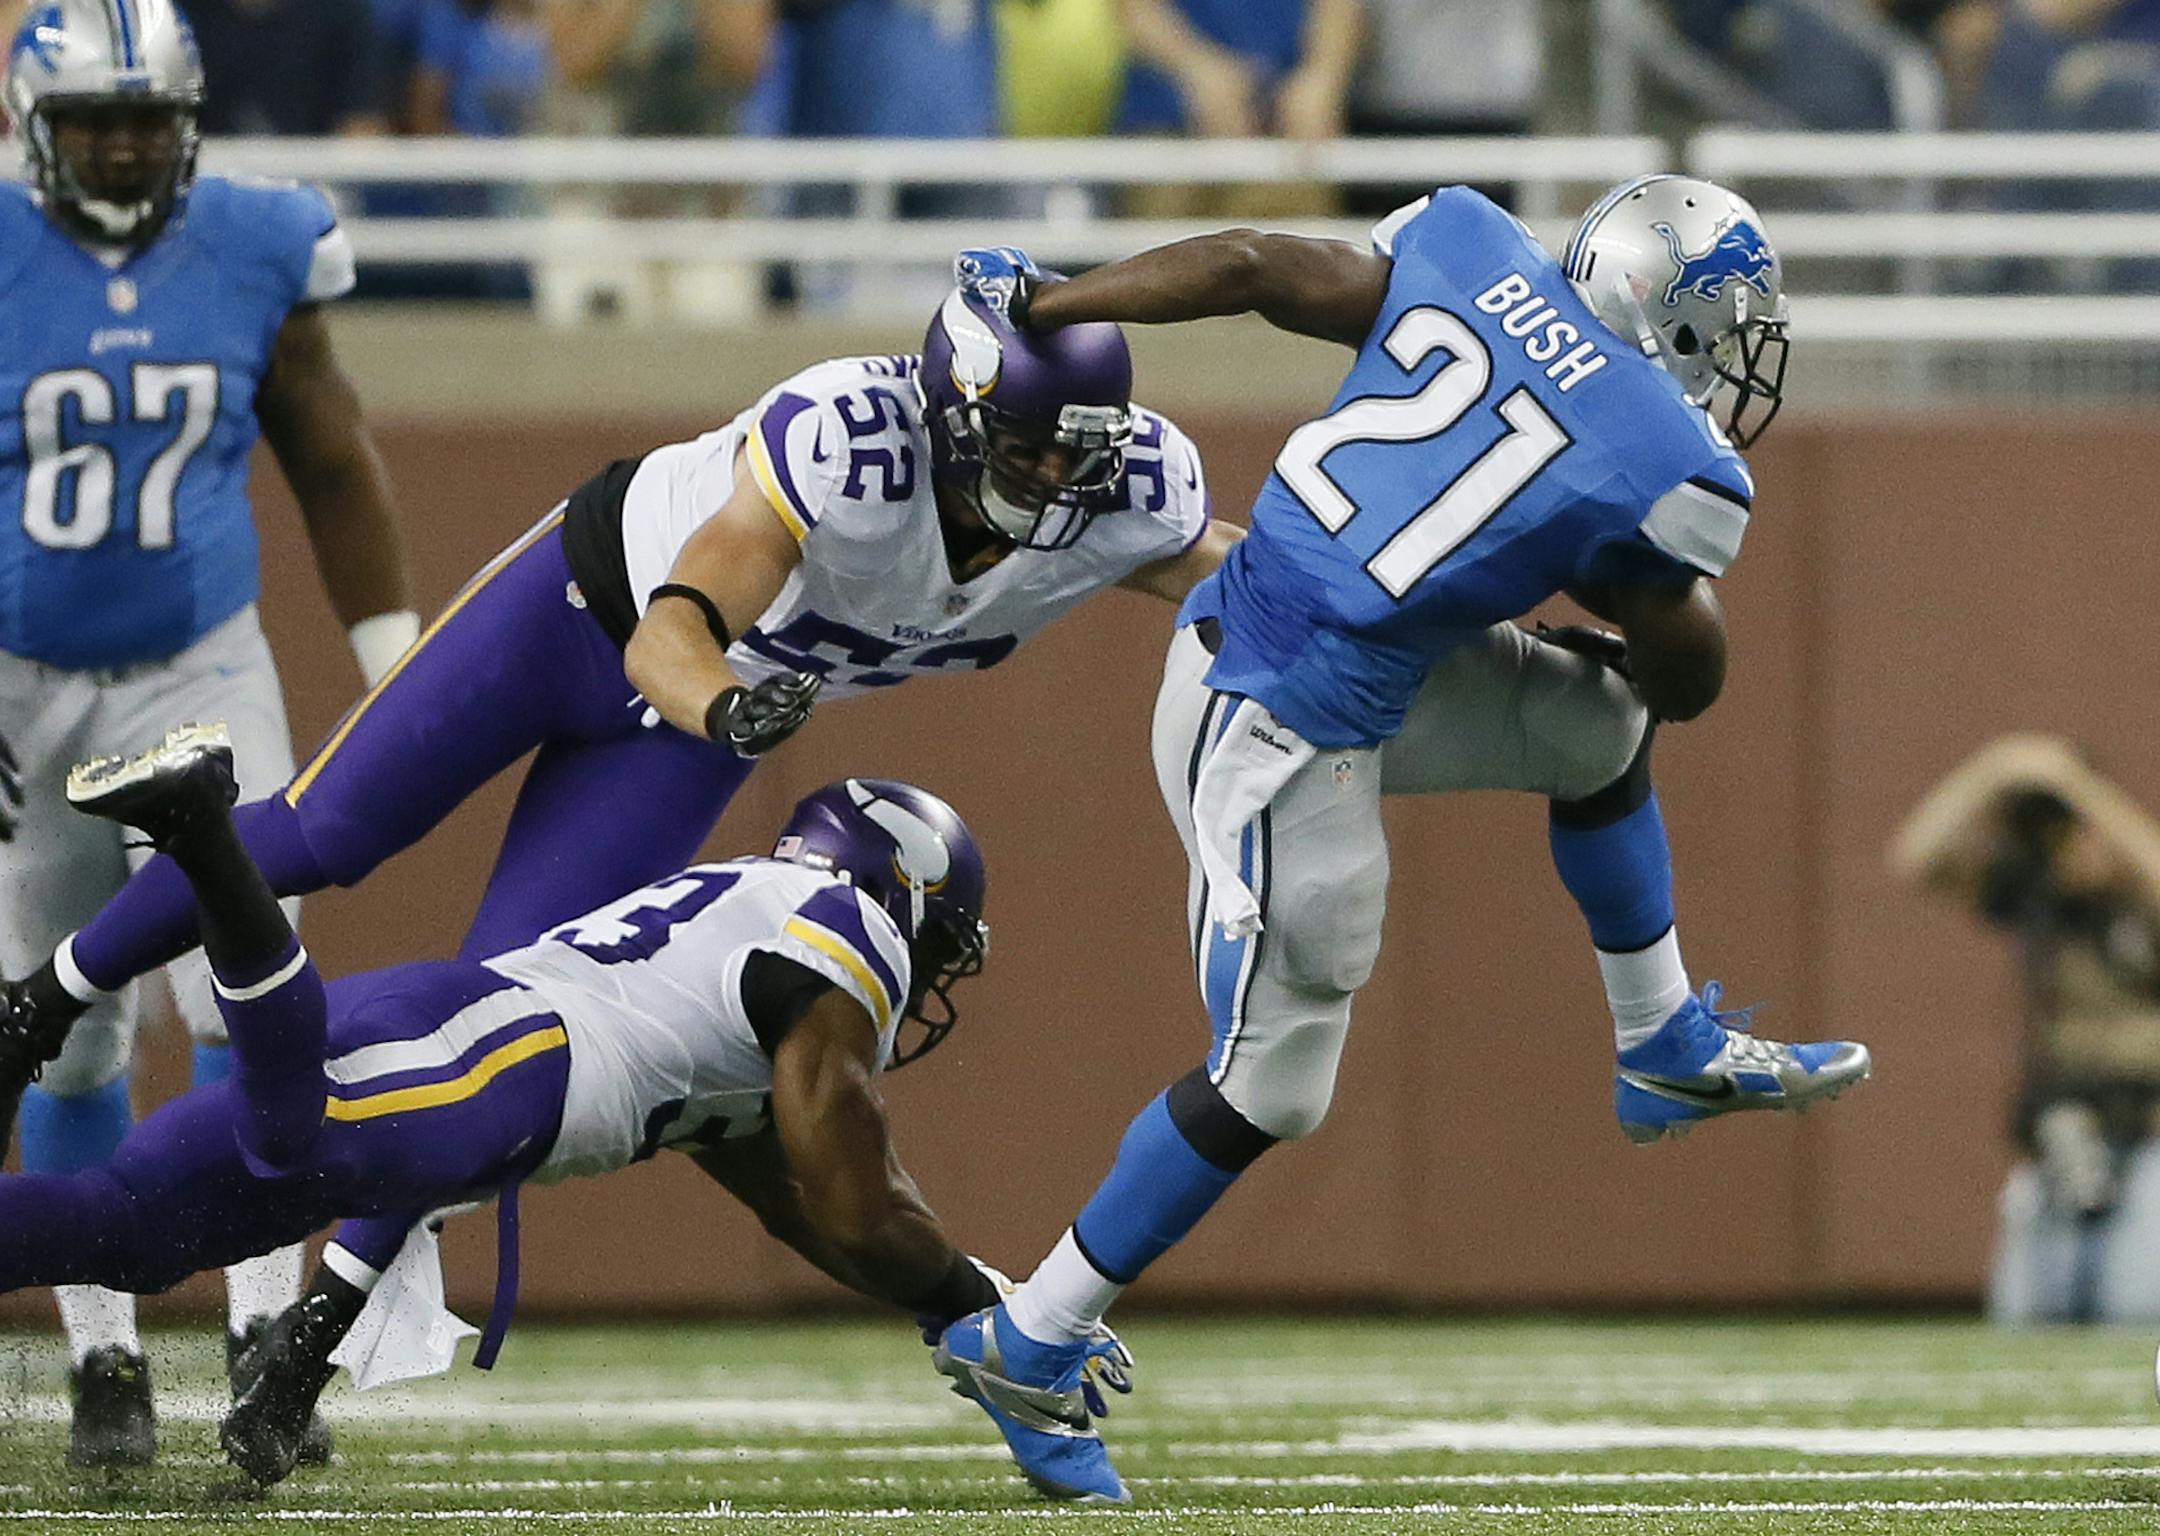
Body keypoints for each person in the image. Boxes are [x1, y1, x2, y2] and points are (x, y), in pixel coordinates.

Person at [932, 178, 1874, 1501]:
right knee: (1273, 1081)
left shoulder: (1469, 248)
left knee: (1593, 728)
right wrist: (1641, 581)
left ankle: (1663, 1043)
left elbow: (1257, 260)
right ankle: (1034, 1333)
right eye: (1727, 328)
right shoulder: (1670, 462)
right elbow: (1692, 678)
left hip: (1321, 656)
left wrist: (1044, 301)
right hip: (1266, 718)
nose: (1734, 358)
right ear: (1679, 318)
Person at [0, 287, 1238, 1146]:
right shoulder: (855, 447)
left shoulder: (1122, 497)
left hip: (706, 719)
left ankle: (324, 1325)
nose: (1054, 479)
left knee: (500, 1014)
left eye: (1075, 452)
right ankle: (51, 990)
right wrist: (734, 712)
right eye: (1024, 447)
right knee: (329, 832)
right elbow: (668, 638)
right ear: (952, 408)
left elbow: (1238, 575)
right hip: (596, 613)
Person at [0, 724, 1129, 1485]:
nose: (927, 981)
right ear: (906, 898)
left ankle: (208, 843)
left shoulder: (748, 957)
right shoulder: (846, 935)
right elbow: (860, 1199)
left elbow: (802, 1209)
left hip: (459, 1034)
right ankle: (206, 834)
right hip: (506, 1063)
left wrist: (970, 1309)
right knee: (289, 1134)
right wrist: (1010, 1319)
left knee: (124, 1231)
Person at [0, 0, 418, 1467]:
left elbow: (328, 445)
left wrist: (394, 665)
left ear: (185, 122)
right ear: (33, 126)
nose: (120, 146)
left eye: (142, 119)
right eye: (92, 121)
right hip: (18, 682)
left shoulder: (252, 237)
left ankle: (260, 1338)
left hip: (199, 669)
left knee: (250, 994)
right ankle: (105, 1364)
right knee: (61, 1028)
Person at [1892, 734, 2160, 1324]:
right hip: (2066, 1128)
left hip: (2149, 1131)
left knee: (2135, 1305)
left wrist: (2080, 792)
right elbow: (1919, 859)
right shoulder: (2041, 899)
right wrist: (1996, 771)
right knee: (2032, 1314)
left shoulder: (2135, 896)